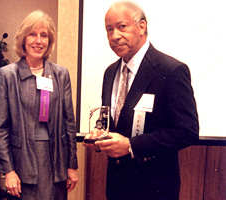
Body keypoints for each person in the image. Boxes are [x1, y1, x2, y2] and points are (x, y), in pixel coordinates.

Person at [85, 1, 199, 200]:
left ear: (142, 26)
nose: (114, 36)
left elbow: (187, 132)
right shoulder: (110, 73)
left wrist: (131, 145)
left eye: (121, 27)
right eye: (109, 30)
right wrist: (100, 134)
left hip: (155, 187)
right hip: (117, 186)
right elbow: (113, 121)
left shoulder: (171, 70)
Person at [0, 10, 78, 200]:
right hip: (22, 164)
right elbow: (0, 129)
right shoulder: (7, 76)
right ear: (23, 38)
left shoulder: (60, 74)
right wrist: (8, 171)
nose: (38, 41)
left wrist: (72, 165)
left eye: (44, 35)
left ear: (49, 41)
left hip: (55, 162)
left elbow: (69, 123)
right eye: (33, 34)